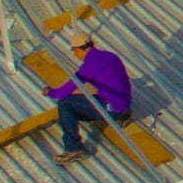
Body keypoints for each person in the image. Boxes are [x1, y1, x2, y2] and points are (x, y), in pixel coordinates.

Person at [48, 36, 135, 165]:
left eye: (75, 51)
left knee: (65, 104)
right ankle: (123, 116)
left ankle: (74, 148)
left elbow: (63, 92)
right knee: (91, 96)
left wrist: (49, 91)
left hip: (113, 109)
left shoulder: (89, 66)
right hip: (124, 103)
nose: (75, 55)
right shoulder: (110, 55)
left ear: (78, 50)